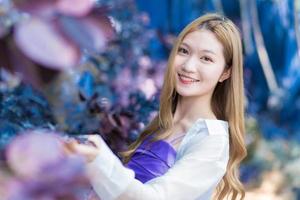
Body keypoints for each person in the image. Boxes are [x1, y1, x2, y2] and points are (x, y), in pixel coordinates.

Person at [64, 13, 247, 200]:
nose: (189, 66)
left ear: (226, 72)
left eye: (206, 59)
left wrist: (98, 159)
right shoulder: (162, 120)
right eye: (183, 51)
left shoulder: (211, 141)